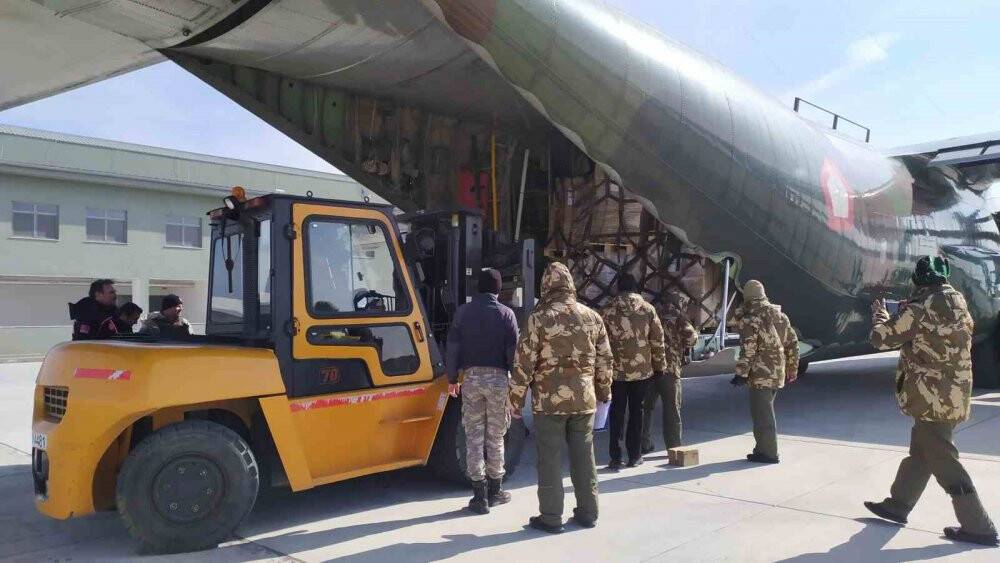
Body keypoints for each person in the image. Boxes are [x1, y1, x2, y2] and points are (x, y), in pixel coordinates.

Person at [864, 256, 997, 546]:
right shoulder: (957, 301)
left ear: (920, 278)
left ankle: (979, 526)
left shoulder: (921, 307)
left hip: (931, 396)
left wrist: (880, 315)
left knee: (943, 459)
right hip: (953, 394)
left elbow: (881, 338)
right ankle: (898, 505)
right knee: (922, 451)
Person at [509, 262, 614, 533]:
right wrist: (604, 392)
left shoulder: (538, 318)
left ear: (546, 286)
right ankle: (588, 513)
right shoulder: (592, 317)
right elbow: (605, 360)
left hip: (549, 403)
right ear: (570, 284)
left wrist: (515, 400)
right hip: (584, 400)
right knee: (584, 457)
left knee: (550, 459)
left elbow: (524, 363)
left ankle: (551, 517)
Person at [445, 268, 520, 514]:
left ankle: (479, 496)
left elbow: (453, 347)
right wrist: (516, 386)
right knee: (496, 436)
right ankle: (495, 491)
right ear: (498, 289)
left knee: (473, 436)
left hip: (471, 379)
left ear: (478, 288)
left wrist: (452, 378)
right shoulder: (507, 314)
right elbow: (513, 353)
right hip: (499, 380)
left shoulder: (463, 312)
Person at [601, 274, 666, 470]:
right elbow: (657, 341)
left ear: (618, 289)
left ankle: (615, 457)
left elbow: (599, 343)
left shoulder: (607, 311)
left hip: (615, 372)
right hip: (641, 372)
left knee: (616, 413)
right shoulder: (648, 309)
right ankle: (635, 455)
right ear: (635, 288)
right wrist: (660, 366)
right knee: (637, 412)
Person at [730, 280, 798, 464]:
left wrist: (741, 374)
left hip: (760, 375)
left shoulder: (749, 318)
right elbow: (792, 343)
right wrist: (792, 368)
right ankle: (761, 449)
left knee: (762, 415)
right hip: (777, 373)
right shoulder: (780, 316)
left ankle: (769, 453)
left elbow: (749, 349)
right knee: (764, 412)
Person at [643, 292, 698, 454]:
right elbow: (691, 339)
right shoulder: (679, 317)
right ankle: (674, 447)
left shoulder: (653, 314)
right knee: (672, 410)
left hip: (650, 369)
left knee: (645, 408)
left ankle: (643, 443)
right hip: (670, 370)